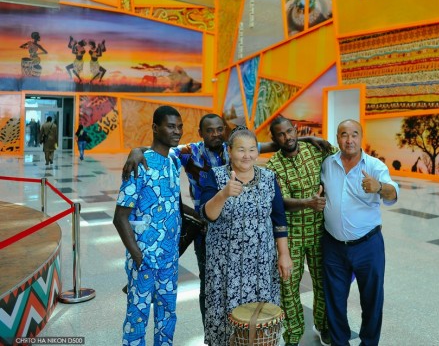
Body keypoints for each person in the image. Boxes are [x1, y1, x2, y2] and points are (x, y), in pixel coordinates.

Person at [121, 116, 333, 331]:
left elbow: (277, 143)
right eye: (209, 130)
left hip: (258, 253)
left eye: (219, 129)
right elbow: (162, 149)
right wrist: (137, 151)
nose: (215, 134)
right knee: (211, 287)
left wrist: (307, 138)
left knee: (257, 303)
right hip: (209, 231)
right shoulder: (190, 152)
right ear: (202, 133)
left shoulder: (248, 156)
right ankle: (213, 330)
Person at [200, 128, 293, 345]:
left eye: (252, 150)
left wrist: (284, 254)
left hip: (261, 262)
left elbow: (279, 219)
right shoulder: (215, 176)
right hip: (225, 264)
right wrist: (223, 194)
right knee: (225, 315)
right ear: (229, 151)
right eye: (241, 150)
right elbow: (207, 215)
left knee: (259, 315)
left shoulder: (269, 178)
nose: (247, 155)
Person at [320, 119, 399, 346]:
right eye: (344, 135)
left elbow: (393, 193)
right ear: (337, 139)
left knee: (371, 300)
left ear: (361, 137)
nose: (349, 140)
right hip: (333, 245)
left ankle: (369, 343)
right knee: (334, 300)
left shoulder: (374, 166)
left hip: (368, 246)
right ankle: (339, 342)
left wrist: (379, 187)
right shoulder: (327, 164)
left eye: (354, 134)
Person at [113, 105, 183, 346]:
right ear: (155, 127)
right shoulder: (139, 164)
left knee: (168, 315)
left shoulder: (174, 161)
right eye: (171, 126)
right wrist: (137, 256)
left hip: (169, 258)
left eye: (180, 127)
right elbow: (120, 217)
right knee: (137, 315)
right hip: (145, 258)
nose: (177, 131)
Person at [266, 116, 336, 346]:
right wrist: (308, 202)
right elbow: (280, 202)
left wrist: (315, 139)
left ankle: (323, 325)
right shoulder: (274, 166)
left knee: (323, 283)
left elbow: (341, 155)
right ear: (274, 138)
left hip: (320, 232)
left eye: (290, 131)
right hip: (292, 236)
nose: (287, 137)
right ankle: (293, 335)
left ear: (296, 130)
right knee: (288, 287)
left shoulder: (314, 150)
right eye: (281, 134)